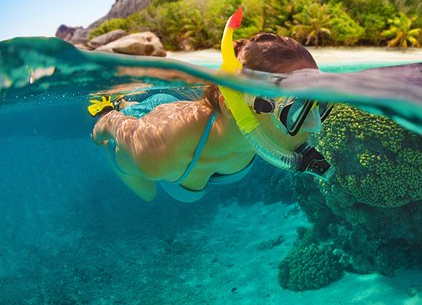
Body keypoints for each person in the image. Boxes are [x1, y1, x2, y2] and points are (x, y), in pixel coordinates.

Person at [92, 11, 333, 202]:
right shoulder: (158, 152)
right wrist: (105, 120)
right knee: (147, 194)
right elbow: (109, 126)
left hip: (195, 137)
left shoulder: (264, 134)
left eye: (320, 104)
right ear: (232, 104)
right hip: (149, 131)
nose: (315, 126)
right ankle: (121, 102)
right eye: (297, 108)